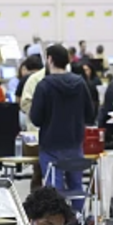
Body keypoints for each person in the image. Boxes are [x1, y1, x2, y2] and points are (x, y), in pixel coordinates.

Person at [30, 44, 97, 197]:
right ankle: (78, 213)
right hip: (75, 143)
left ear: (49, 59)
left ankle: (57, 214)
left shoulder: (44, 86)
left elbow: (36, 119)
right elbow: (90, 114)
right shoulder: (80, 83)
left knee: (54, 193)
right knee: (77, 188)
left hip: (51, 145)